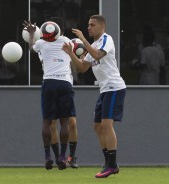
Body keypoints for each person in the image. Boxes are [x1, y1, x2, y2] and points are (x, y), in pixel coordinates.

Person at [62, 15, 126, 178]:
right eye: (88, 25)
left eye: (92, 25)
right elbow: (82, 68)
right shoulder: (94, 45)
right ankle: (108, 163)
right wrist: (71, 53)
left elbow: (97, 55)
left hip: (114, 87)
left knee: (106, 124)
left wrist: (83, 40)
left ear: (101, 27)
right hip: (104, 90)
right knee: (97, 127)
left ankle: (112, 165)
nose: (88, 28)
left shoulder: (106, 39)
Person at [23, 20, 76, 170]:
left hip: (49, 83)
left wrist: (33, 32)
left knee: (47, 121)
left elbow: (31, 48)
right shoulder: (66, 41)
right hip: (65, 83)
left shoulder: (41, 43)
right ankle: (62, 157)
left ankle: (47, 156)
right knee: (64, 122)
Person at [47, 17, 78, 169]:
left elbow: (78, 65)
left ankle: (71, 157)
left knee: (71, 122)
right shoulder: (45, 46)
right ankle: (58, 158)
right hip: (52, 83)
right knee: (52, 122)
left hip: (67, 84)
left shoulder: (68, 43)